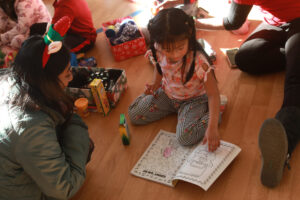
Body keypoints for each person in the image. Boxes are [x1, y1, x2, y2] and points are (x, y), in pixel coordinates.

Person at [196, 0, 300, 188]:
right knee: (246, 58)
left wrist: (193, 22)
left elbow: (232, 22)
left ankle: (284, 142)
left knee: (295, 82)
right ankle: (295, 56)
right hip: (277, 23)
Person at [0, 17, 94, 199]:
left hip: (12, 168)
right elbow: (64, 188)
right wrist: (74, 120)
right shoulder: (31, 128)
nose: (71, 79)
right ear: (47, 82)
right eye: (67, 74)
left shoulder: (15, 78)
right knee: (84, 146)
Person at [128, 8, 221, 152]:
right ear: (157, 43)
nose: (174, 55)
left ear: (189, 35)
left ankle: (216, 113)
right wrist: (155, 84)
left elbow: (213, 94)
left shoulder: (199, 62)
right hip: (168, 94)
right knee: (134, 114)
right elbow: (160, 68)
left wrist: (212, 127)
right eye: (167, 49)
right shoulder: (158, 50)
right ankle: (179, 112)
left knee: (185, 137)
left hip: (194, 100)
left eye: (180, 48)